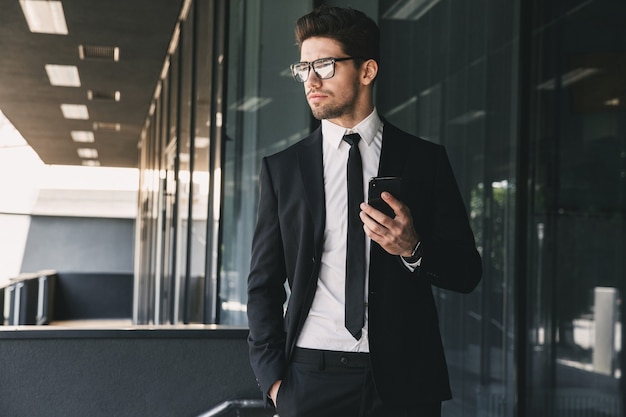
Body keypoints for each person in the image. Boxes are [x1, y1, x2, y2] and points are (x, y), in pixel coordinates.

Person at [247, 6, 482, 417]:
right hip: (310, 375)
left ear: (367, 70)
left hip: (406, 381)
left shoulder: (424, 162)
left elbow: (466, 271)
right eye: (304, 67)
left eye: (325, 65)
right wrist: (274, 383)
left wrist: (414, 249)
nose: (311, 80)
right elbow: (263, 284)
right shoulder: (282, 169)